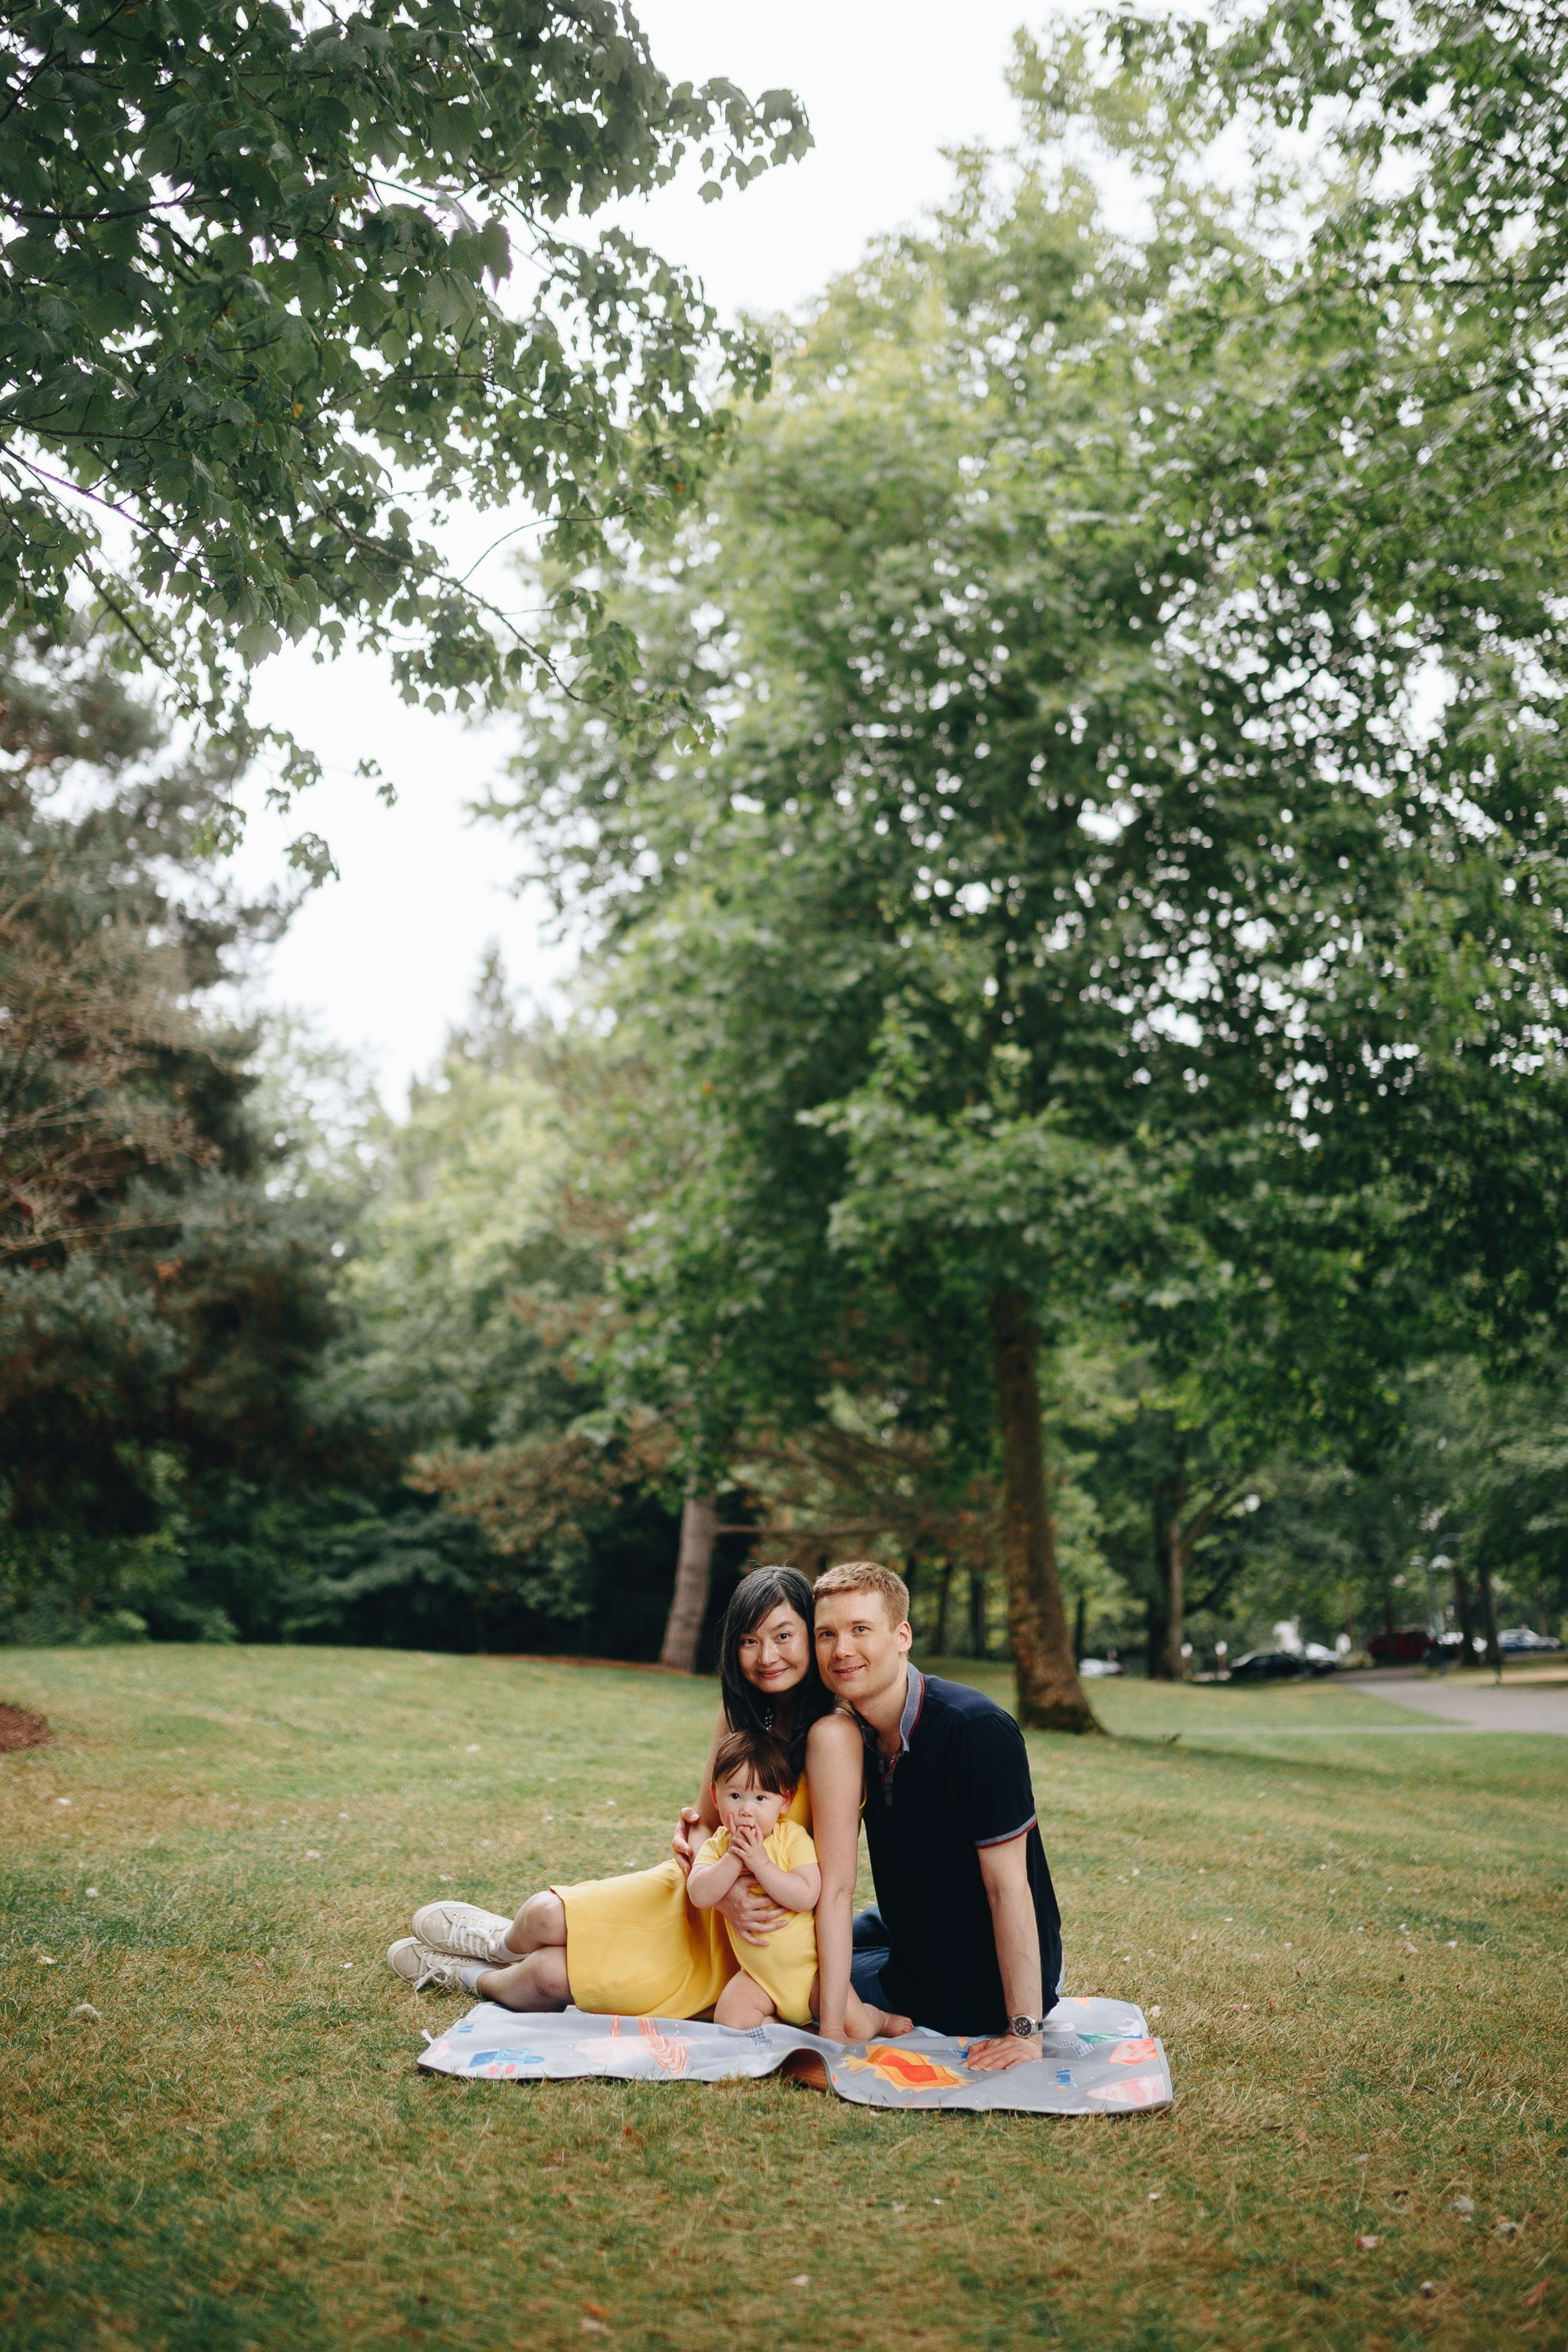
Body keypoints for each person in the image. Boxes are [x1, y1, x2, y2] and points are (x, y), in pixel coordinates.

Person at [387, 1564, 909, 2038]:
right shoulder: (738, 1717)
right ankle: (496, 1942)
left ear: (811, 1637)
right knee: (545, 1915)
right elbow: (705, 1823)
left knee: (548, 1981)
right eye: (749, 1640)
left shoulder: (831, 1736)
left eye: (783, 1636)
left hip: (753, 1941)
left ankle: (471, 1976)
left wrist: (835, 2017)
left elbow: (836, 1889)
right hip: (703, 1894)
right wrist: (706, 1866)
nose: (767, 1656)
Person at [812, 1559, 1063, 2073]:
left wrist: (1025, 2032)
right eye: (827, 1634)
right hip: (910, 1927)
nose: (842, 1650)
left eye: (861, 1630)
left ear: (902, 1635)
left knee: (800, 1976)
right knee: (805, 1935)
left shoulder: (976, 1730)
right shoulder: (849, 1733)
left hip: (970, 1980)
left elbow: (1008, 1888)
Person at [687, 1729, 820, 2028]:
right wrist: (734, 1858)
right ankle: (777, 2024)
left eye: (760, 1797)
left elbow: (807, 1895)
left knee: (856, 2025)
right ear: (715, 1797)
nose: (746, 1809)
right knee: (729, 2020)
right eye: (734, 1796)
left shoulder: (792, 1838)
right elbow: (699, 1893)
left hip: (810, 1973)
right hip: (759, 1978)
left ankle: (880, 2019)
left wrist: (761, 1864)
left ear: (785, 1801)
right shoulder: (720, 1845)